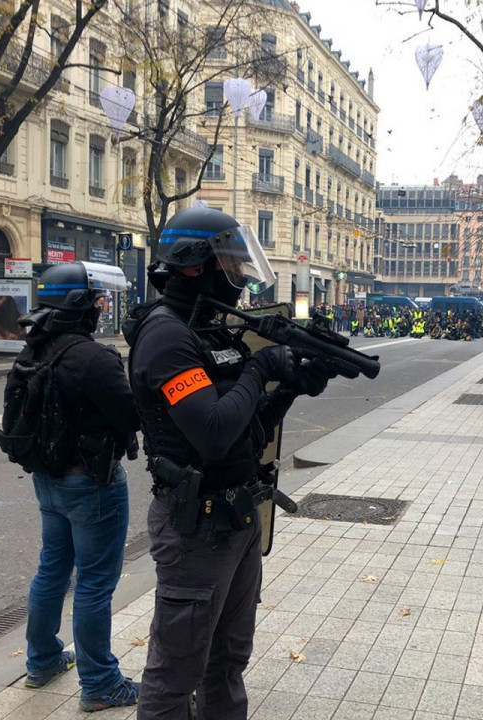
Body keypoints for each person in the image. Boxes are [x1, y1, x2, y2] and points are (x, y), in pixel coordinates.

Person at [124, 208, 333, 720]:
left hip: (236, 517)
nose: (239, 274)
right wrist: (260, 368)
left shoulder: (210, 332)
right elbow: (214, 434)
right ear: (195, 265)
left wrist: (289, 389)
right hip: (196, 528)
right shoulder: (166, 336)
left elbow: (247, 429)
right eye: (231, 262)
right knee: (176, 674)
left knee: (227, 660)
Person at [10, 261, 141, 712]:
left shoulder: (33, 351)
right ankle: (100, 683)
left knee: (52, 569)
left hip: (48, 480)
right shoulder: (93, 357)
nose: (100, 308)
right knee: (94, 583)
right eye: (96, 301)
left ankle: (42, 661)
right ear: (81, 307)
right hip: (93, 482)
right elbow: (131, 415)